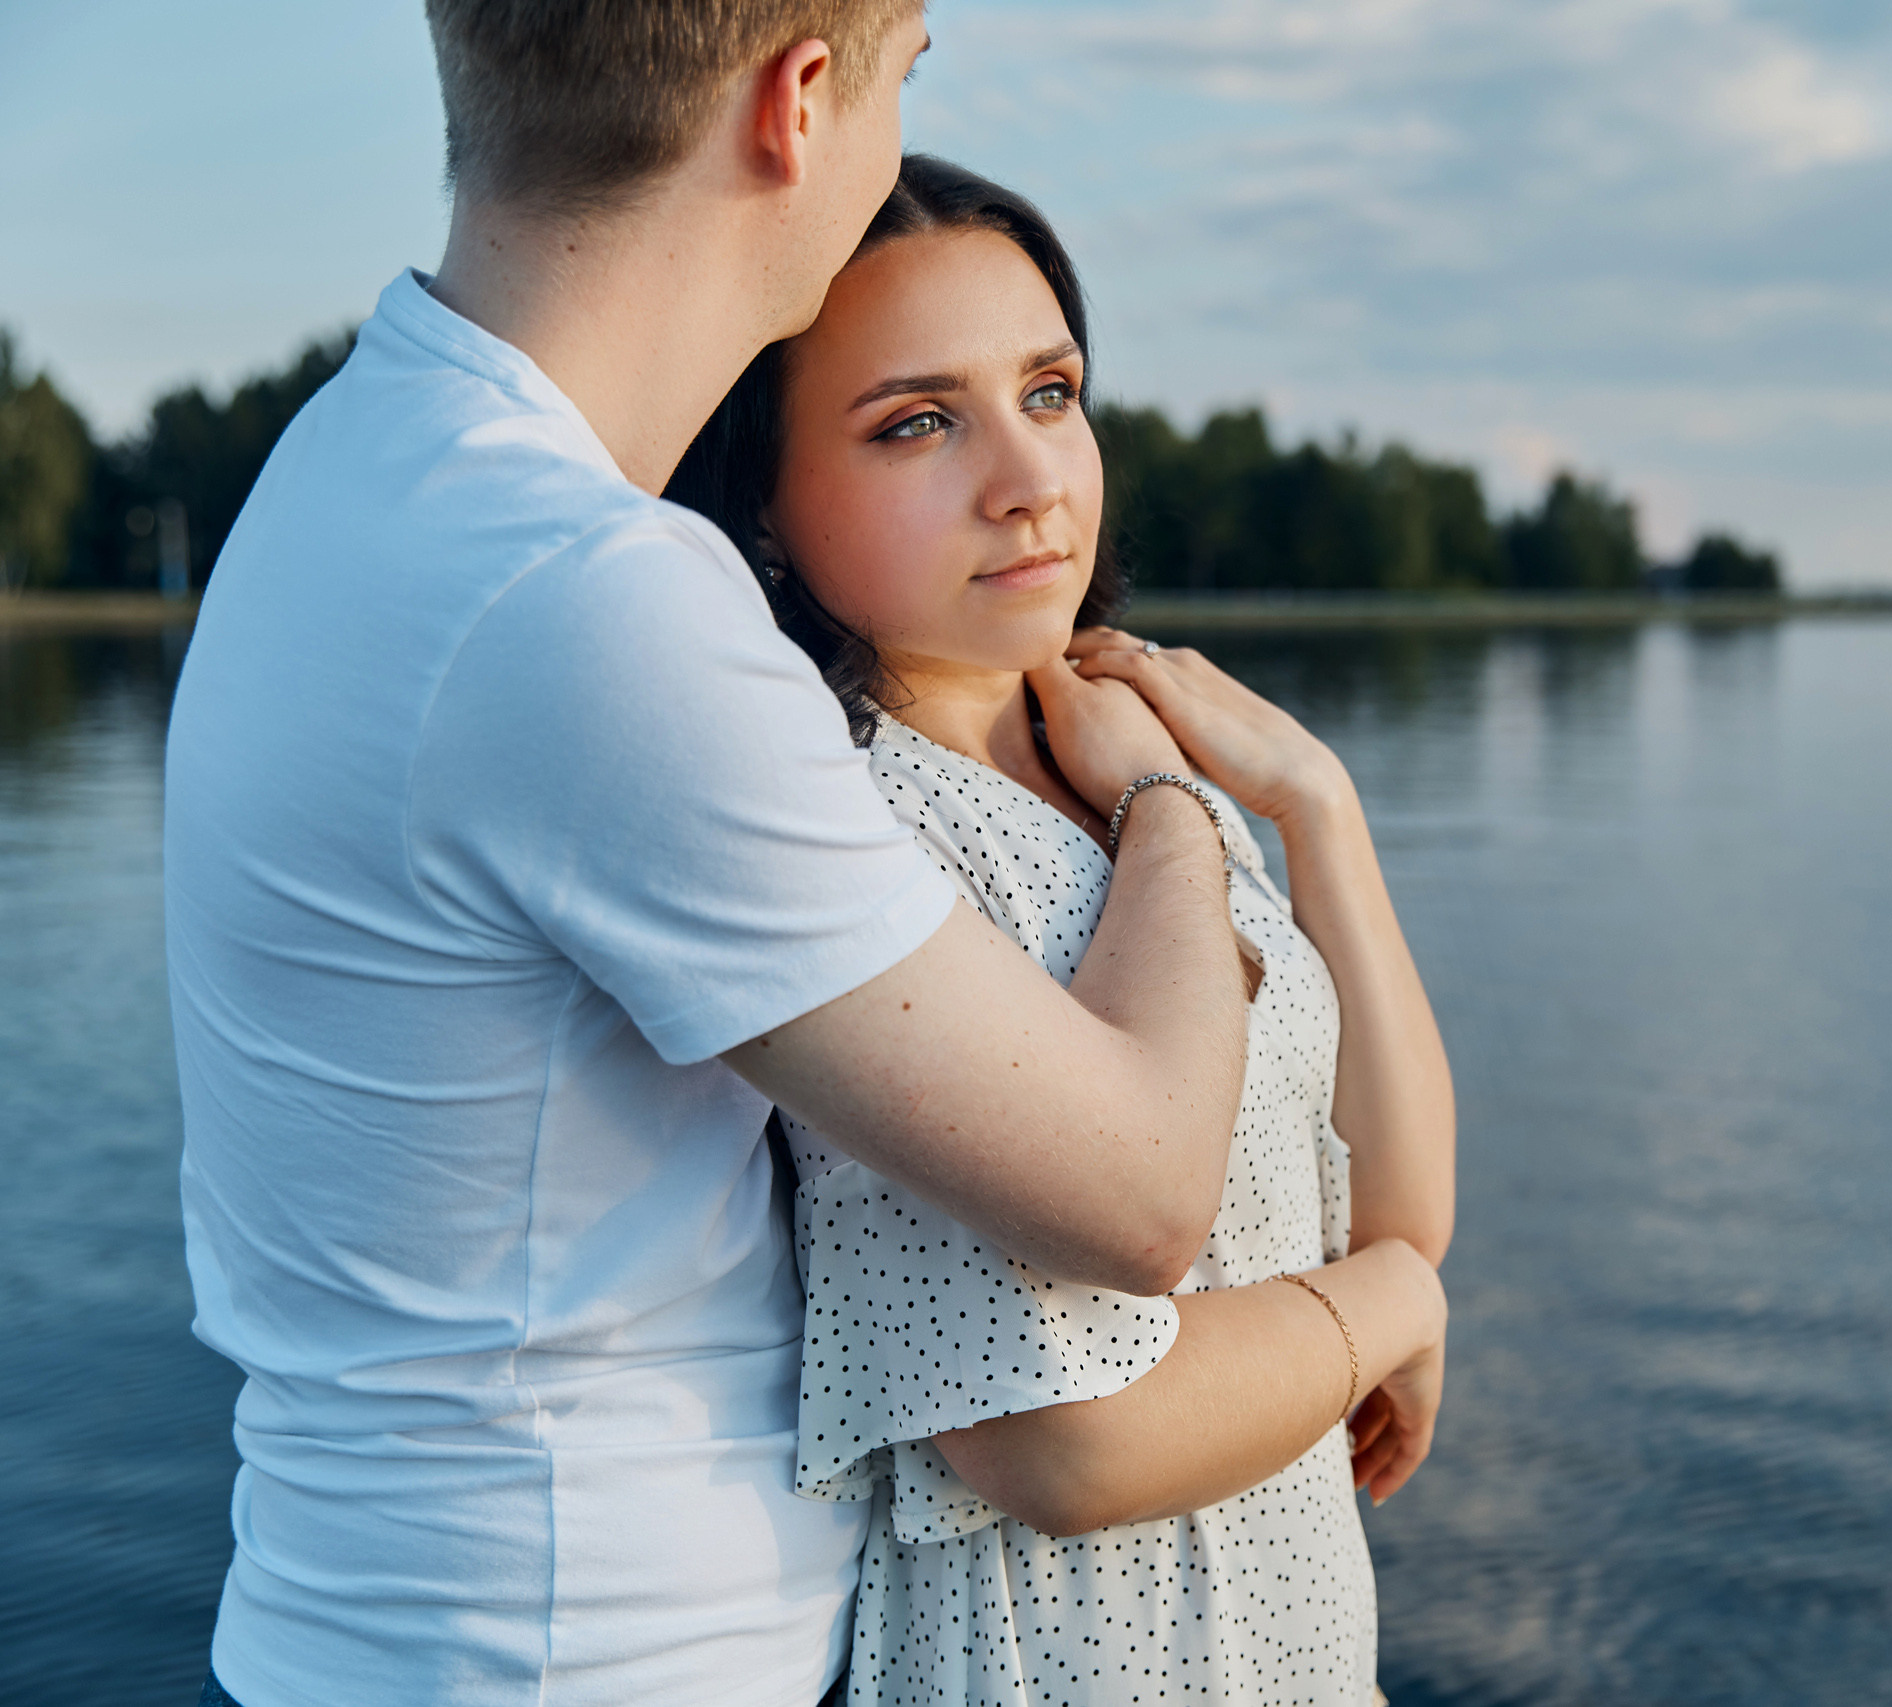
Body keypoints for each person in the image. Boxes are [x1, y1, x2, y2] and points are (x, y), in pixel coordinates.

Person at [166, 6, 1268, 1705]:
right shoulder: (581, 594)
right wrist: (1175, 809)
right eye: (910, 69)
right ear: (801, 103)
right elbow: (1138, 1190)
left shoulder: (358, 468)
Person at [666, 155, 1458, 1706]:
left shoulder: (1132, 758)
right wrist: (1400, 1313)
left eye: (1050, 391)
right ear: (763, 496)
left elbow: (1393, 1211)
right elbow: (1055, 1442)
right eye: (917, 422)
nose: (1028, 478)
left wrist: (1318, 811)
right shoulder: (853, 840)